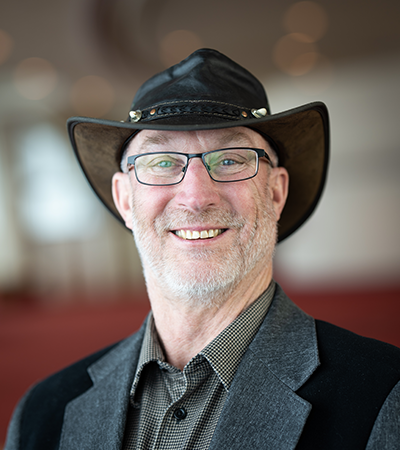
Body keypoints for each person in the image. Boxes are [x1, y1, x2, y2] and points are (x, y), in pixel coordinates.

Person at [5, 49, 400, 450]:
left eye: (230, 160)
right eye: (162, 162)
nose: (195, 197)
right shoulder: (43, 412)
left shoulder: (383, 395)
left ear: (275, 193)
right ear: (125, 200)